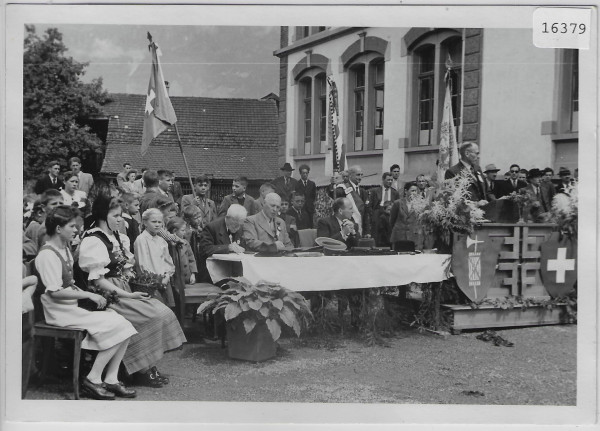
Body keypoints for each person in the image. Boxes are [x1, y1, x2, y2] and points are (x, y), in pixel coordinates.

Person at [77, 194, 186, 388]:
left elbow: (126, 266)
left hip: (125, 288)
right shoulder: (93, 239)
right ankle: (141, 369)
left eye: (121, 215)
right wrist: (128, 294)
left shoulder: (118, 236)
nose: (120, 220)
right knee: (151, 315)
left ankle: (148, 365)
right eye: (116, 216)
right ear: (103, 215)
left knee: (163, 311)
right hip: (106, 295)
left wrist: (134, 276)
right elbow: (98, 281)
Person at [36, 205, 138, 399]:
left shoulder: (64, 249)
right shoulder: (47, 254)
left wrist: (90, 295)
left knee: (124, 324)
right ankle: (92, 379)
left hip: (71, 308)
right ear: (58, 228)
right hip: (59, 312)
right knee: (117, 324)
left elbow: (70, 284)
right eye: (72, 227)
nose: (77, 230)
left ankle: (111, 378)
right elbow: (55, 292)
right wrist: (88, 296)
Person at [134, 208, 176, 307]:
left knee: (168, 308)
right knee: (157, 308)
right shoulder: (141, 240)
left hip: (164, 281)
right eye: (153, 222)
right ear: (145, 222)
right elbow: (143, 265)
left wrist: (166, 276)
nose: (157, 224)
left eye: (159, 222)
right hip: (150, 283)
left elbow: (168, 262)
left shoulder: (162, 241)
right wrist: (156, 281)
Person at [198, 205, 247, 282]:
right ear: (227, 217)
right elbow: (205, 249)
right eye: (235, 224)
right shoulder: (211, 227)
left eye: (240, 225)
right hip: (213, 274)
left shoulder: (239, 228)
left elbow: (242, 246)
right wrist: (228, 247)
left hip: (234, 273)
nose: (238, 228)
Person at [444, 142, 488, 206]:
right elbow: (453, 198)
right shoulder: (452, 172)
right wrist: (476, 204)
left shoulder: (477, 168)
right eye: (476, 153)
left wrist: (497, 200)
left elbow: (487, 191)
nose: (478, 157)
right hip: (468, 213)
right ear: (467, 153)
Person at [334, 165, 370, 236]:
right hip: (347, 225)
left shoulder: (363, 191)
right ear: (350, 175)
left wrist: (367, 231)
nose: (360, 177)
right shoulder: (342, 188)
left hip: (359, 226)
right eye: (358, 175)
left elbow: (365, 213)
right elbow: (337, 204)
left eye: (361, 175)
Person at [369, 172, 400, 246]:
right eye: (388, 180)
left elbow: (397, 206)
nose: (390, 182)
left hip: (389, 215)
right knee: (376, 235)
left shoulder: (395, 192)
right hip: (378, 214)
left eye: (391, 180)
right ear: (383, 180)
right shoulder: (375, 191)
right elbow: (370, 205)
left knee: (388, 235)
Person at [390, 182, 422, 250]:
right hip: (399, 236)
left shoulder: (420, 204)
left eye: (416, 191)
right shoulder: (397, 203)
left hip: (413, 236)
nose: (414, 193)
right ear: (406, 191)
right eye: (412, 190)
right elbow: (392, 220)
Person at [167, 217, 198, 285]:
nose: (185, 232)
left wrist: (193, 274)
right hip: (175, 280)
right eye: (182, 230)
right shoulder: (168, 245)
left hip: (187, 278)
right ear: (174, 231)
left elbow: (191, 259)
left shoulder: (185, 243)